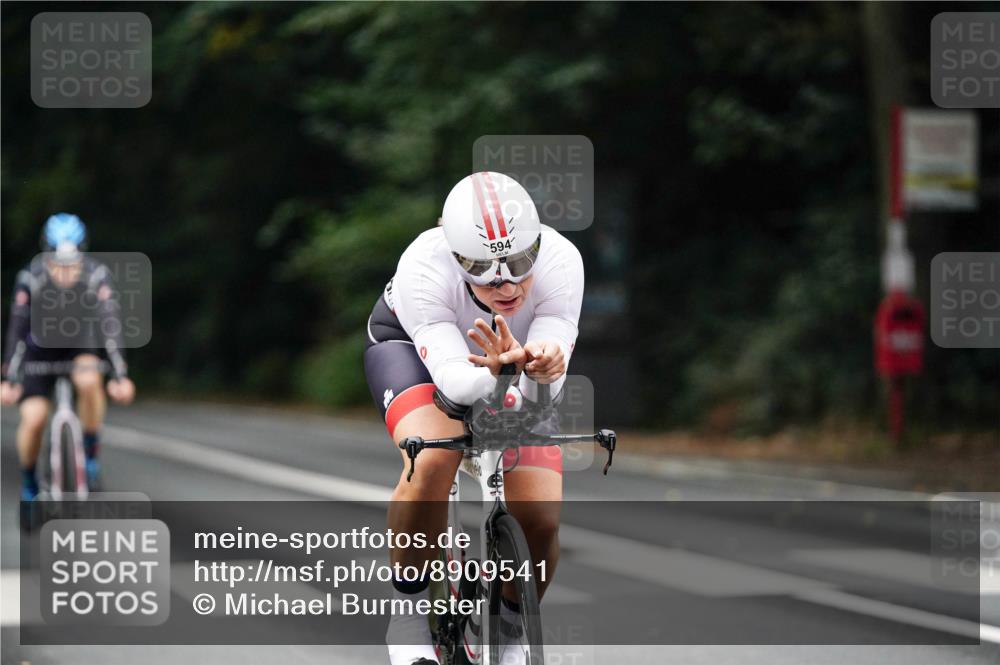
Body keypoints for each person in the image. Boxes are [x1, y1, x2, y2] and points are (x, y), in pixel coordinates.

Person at [364, 172, 584, 665]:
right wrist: (502, 370)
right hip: (418, 352)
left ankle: (508, 625)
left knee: (541, 517)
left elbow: (540, 400)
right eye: (481, 269)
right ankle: (408, 611)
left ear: (538, 243)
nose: (505, 284)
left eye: (520, 263)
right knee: (432, 462)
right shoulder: (424, 264)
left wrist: (542, 369)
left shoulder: (563, 262)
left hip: (508, 361)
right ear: (454, 254)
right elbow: (456, 385)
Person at [1, 213, 135, 500]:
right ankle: (29, 481)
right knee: (35, 419)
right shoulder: (30, 277)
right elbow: (17, 328)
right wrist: (9, 377)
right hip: (38, 351)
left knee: (88, 380)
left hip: (78, 345)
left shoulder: (96, 275)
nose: (65, 272)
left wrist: (120, 374)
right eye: (58, 264)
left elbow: (109, 323)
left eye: (71, 264)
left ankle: (89, 450)